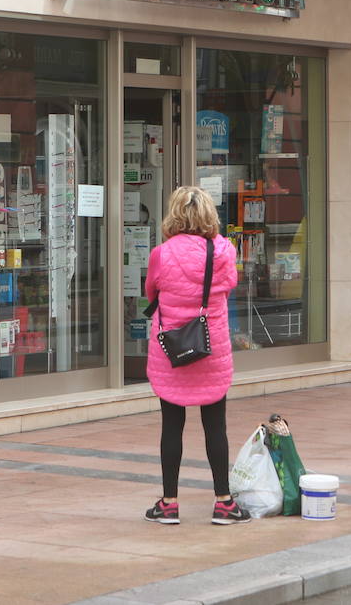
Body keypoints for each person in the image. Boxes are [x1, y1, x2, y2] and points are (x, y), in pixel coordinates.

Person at [143, 185, 252, 525]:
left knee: (171, 427)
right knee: (214, 425)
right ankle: (223, 502)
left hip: (171, 348)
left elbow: (151, 290)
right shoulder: (223, 251)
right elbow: (230, 283)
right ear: (208, 214)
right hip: (210, 348)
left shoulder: (161, 254)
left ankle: (169, 504)